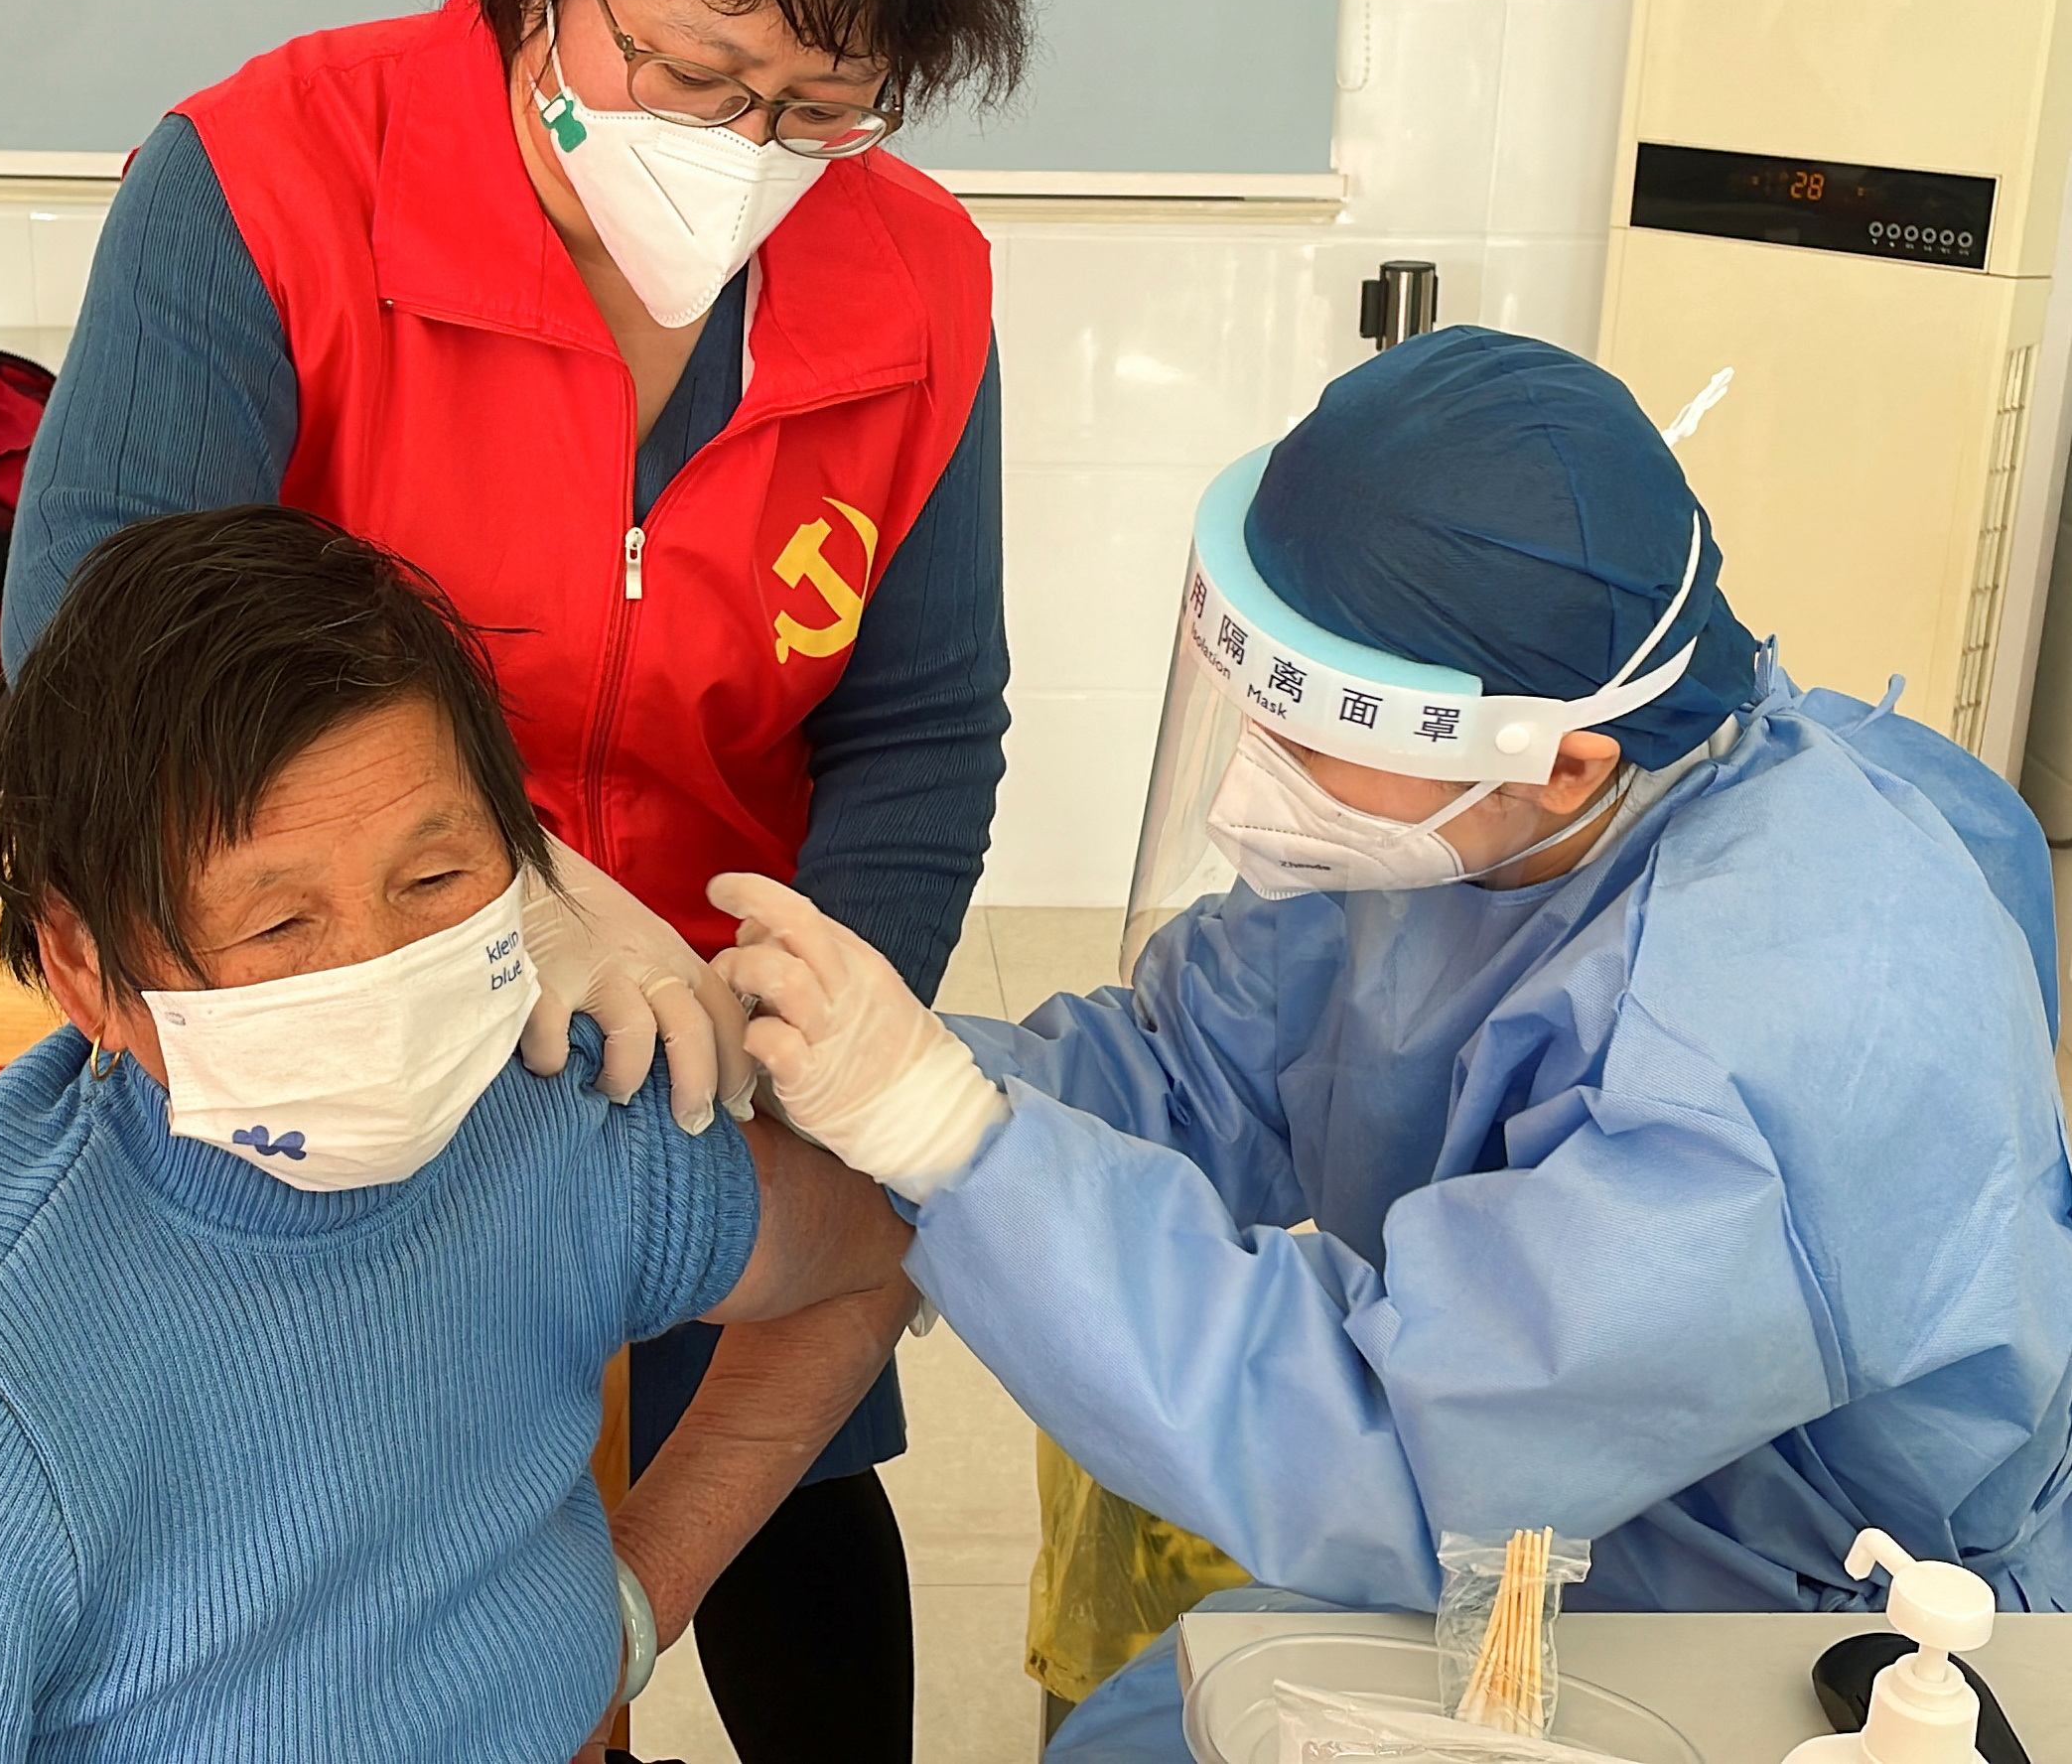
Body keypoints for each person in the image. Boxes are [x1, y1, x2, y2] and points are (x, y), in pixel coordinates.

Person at [711, 329, 2072, 1760]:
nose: (1258, 765)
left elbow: (1390, 1437)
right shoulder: (1476, 837)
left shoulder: (1777, 1046)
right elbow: (1189, 1067)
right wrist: (842, 1080)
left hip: (1793, 1617)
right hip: (1543, 1492)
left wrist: (950, 1144)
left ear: (1558, 756)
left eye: (1307, 728)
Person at [3, 0, 1036, 1748]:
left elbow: (920, 721)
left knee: (786, 1464)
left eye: (817, 109)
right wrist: (524, 894)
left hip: (702, 1008)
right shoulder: (274, 177)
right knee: (367, 1510)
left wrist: (813, 1032)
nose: (737, 150)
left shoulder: (913, 280)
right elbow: (93, 628)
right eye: (689, 74)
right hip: (340, 975)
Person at [0, 505, 917, 1761]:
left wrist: (638, 1600)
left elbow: (897, 1229)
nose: (385, 976)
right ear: (81, 965)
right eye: (278, 929)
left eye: (436, 883)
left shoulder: (549, 1111)